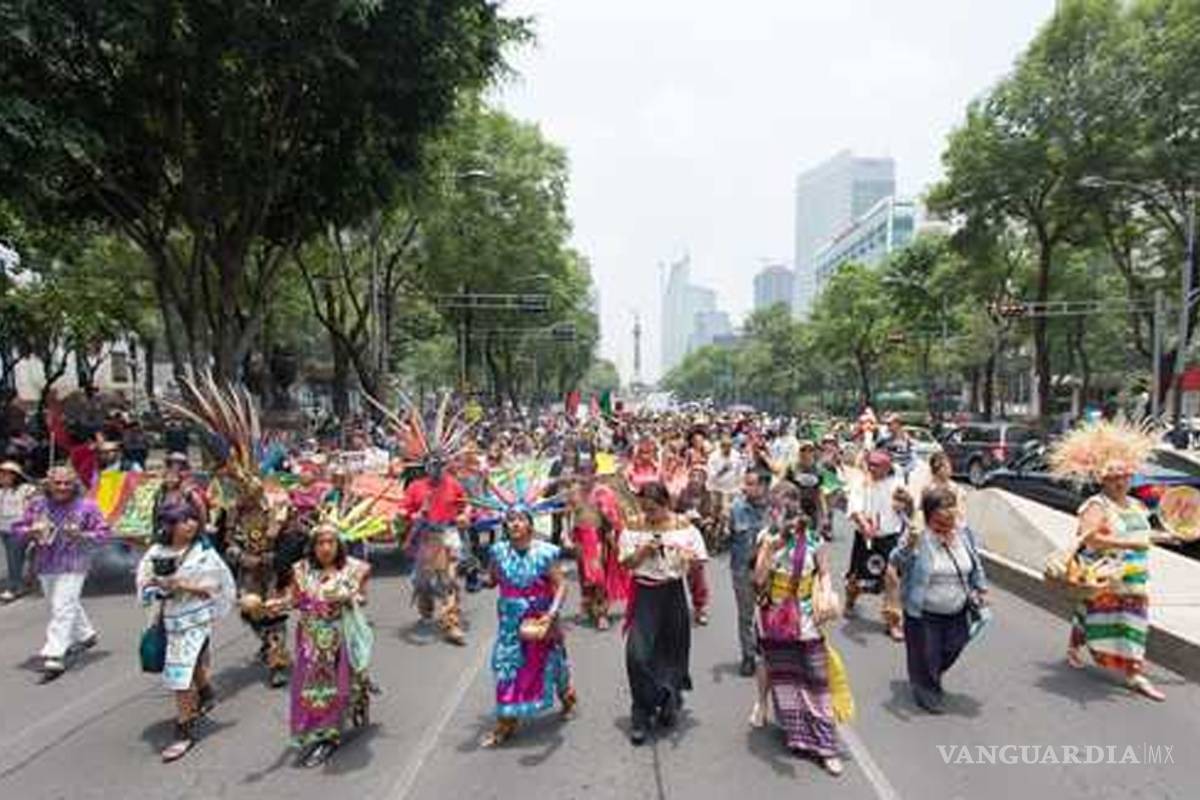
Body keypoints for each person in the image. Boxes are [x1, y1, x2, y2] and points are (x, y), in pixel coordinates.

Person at [1050, 423, 1174, 701]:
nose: (1120, 481)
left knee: (1133, 622)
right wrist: (1129, 544)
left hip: (1135, 576)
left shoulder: (1137, 506)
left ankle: (1133, 672)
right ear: (1103, 480)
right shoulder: (1096, 505)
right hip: (1105, 574)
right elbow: (1089, 539)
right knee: (1094, 612)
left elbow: (1145, 534)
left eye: (1125, 476)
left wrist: (1167, 536)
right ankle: (1123, 668)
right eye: (1114, 477)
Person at [749, 483, 847, 776]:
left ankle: (827, 747)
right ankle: (798, 735)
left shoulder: (815, 541)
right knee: (786, 677)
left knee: (816, 679)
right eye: (780, 508)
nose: (787, 516)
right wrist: (769, 550)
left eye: (791, 509)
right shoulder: (767, 538)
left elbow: (825, 572)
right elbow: (758, 579)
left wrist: (827, 595)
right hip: (773, 618)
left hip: (805, 618)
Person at [136, 501, 236, 762]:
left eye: (193, 519)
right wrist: (157, 588)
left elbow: (216, 586)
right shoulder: (156, 552)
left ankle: (183, 730)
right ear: (170, 525)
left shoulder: (204, 552)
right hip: (168, 620)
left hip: (197, 621)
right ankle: (205, 692)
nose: (190, 524)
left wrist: (184, 585)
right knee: (191, 667)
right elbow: (143, 584)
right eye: (184, 520)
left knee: (179, 675)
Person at [267, 524, 373, 766]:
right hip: (310, 641)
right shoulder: (301, 571)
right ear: (312, 547)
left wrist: (350, 597)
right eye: (320, 543)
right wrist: (276, 604)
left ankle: (331, 734)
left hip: (341, 635)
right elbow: (294, 600)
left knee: (340, 685)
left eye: (331, 542)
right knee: (315, 689)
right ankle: (325, 735)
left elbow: (363, 598)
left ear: (339, 546)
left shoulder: (354, 569)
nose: (325, 548)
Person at [619, 481, 708, 746]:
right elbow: (626, 563)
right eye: (645, 509)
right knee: (637, 654)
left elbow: (698, 561)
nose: (650, 515)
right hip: (645, 593)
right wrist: (643, 551)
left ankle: (668, 700)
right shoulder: (634, 526)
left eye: (654, 510)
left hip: (672, 593)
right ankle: (641, 711)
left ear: (666, 504)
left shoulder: (683, 526)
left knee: (672, 652)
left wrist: (685, 556)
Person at [481, 509, 576, 747]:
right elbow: (491, 581)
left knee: (552, 664)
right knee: (506, 666)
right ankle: (506, 722)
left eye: (520, 519)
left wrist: (551, 614)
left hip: (540, 618)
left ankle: (567, 697)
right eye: (510, 520)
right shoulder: (498, 552)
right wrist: (476, 578)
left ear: (530, 526)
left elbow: (561, 585)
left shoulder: (545, 552)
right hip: (510, 621)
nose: (514, 524)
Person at [890, 486, 987, 714]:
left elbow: (976, 563)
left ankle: (927, 672)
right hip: (924, 611)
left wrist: (981, 588)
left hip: (958, 608)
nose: (945, 529)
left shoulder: (964, 533)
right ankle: (927, 690)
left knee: (955, 646)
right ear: (928, 517)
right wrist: (909, 545)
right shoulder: (917, 536)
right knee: (927, 652)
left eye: (949, 523)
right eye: (939, 524)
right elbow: (896, 562)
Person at [12, 465, 110, 679]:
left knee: (62, 605)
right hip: (45, 562)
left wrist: (83, 535)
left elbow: (104, 534)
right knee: (60, 602)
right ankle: (85, 633)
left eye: (67, 483)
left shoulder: (87, 506)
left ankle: (54, 653)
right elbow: (17, 529)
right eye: (58, 483)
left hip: (74, 562)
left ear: (74, 484)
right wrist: (31, 531)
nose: (62, 487)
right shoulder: (38, 505)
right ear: (49, 484)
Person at [399, 454, 469, 645]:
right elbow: (403, 509)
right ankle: (426, 602)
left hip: (448, 534)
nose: (436, 468)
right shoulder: (415, 487)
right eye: (432, 465)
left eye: (440, 464)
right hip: (426, 537)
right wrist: (411, 515)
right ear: (426, 467)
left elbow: (465, 506)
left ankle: (451, 623)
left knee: (449, 580)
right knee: (422, 582)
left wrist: (464, 516)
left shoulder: (454, 484)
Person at [846, 450, 905, 640]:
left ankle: (893, 622)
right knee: (858, 577)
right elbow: (855, 508)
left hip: (889, 538)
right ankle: (850, 600)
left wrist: (906, 504)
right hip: (865, 537)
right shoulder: (861, 482)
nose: (871, 468)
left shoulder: (897, 482)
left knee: (892, 579)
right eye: (869, 464)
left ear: (887, 467)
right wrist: (863, 523)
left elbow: (908, 507)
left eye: (876, 465)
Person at [568, 458, 628, 630]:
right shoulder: (574, 491)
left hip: (597, 537)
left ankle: (602, 612)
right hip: (579, 536)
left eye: (588, 471)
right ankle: (589, 605)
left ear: (594, 472)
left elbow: (614, 517)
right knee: (584, 575)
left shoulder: (603, 492)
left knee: (598, 575)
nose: (584, 475)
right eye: (581, 471)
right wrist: (566, 535)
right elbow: (569, 514)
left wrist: (606, 512)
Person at [728, 468, 769, 677]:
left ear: (763, 486)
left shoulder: (775, 510)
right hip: (742, 569)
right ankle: (748, 656)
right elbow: (727, 537)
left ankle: (771, 651)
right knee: (745, 615)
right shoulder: (736, 508)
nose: (747, 487)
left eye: (752, 484)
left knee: (770, 612)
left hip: (770, 572)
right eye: (746, 483)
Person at [1, 460, 36, 603]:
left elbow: (39, 495)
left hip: (20, 529)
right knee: (14, 558)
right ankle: (20, 584)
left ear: (14, 476)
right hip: (4, 529)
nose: (2, 476)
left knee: (14, 558)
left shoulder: (26, 489)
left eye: (5, 474)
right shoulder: (1, 491)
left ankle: (12, 587)